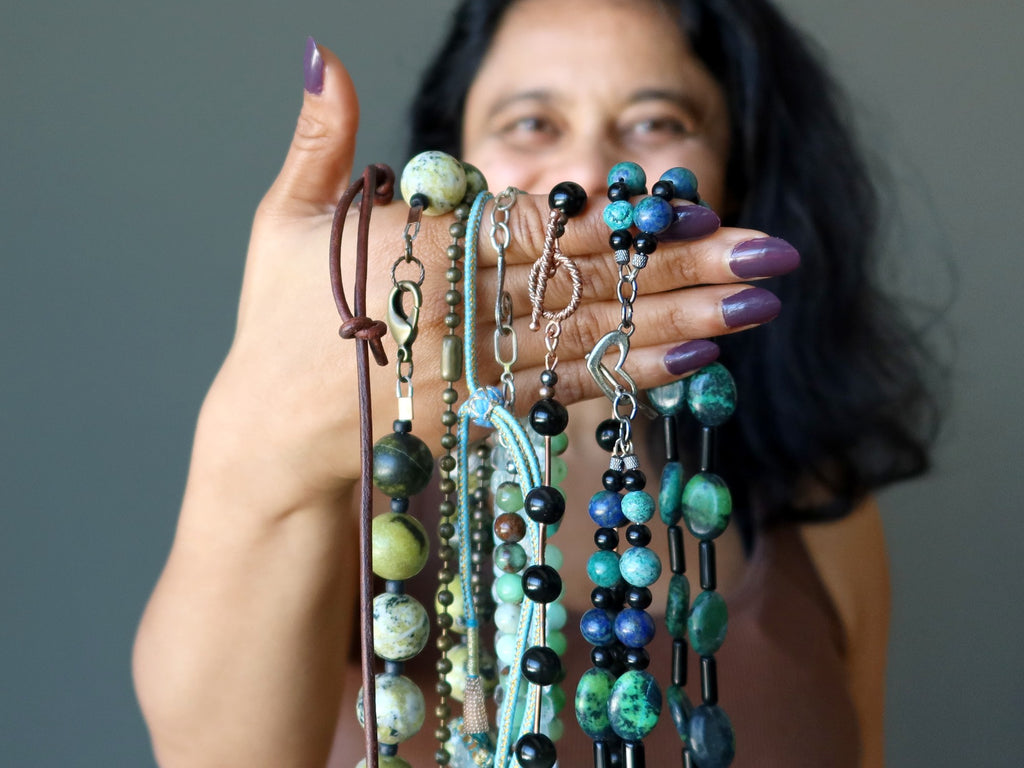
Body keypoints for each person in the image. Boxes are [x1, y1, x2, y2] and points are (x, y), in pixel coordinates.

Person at [132, 1, 937, 766]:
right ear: (451, 172)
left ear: (738, 173)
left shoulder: (817, 509)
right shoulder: (364, 477)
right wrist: (263, 438)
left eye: (657, 122)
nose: (588, 172)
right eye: (531, 122)